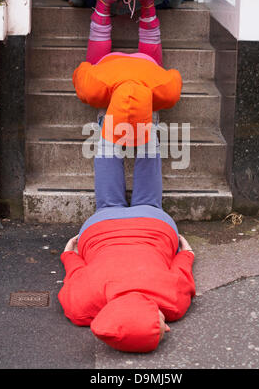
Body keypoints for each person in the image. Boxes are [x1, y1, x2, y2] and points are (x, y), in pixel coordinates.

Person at [58, 126, 196, 353]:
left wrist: (187, 252)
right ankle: (108, 127)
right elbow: (76, 274)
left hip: (154, 225)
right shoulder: (81, 308)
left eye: (161, 327)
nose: (168, 328)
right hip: (100, 228)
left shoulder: (173, 304)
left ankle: (146, 128)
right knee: (108, 202)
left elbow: (182, 271)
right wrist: (68, 254)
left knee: (150, 201)